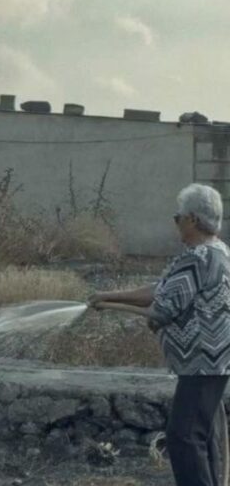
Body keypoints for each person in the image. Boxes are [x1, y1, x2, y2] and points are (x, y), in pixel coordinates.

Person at [89, 183, 230, 486]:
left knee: (183, 438)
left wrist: (111, 306)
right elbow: (159, 291)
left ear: (192, 219)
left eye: (177, 217)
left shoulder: (198, 257)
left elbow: (162, 309)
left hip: (201, 363)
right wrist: (109, 295)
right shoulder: (216, 252)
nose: (176, 223)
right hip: (211, 363)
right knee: (201, 437)